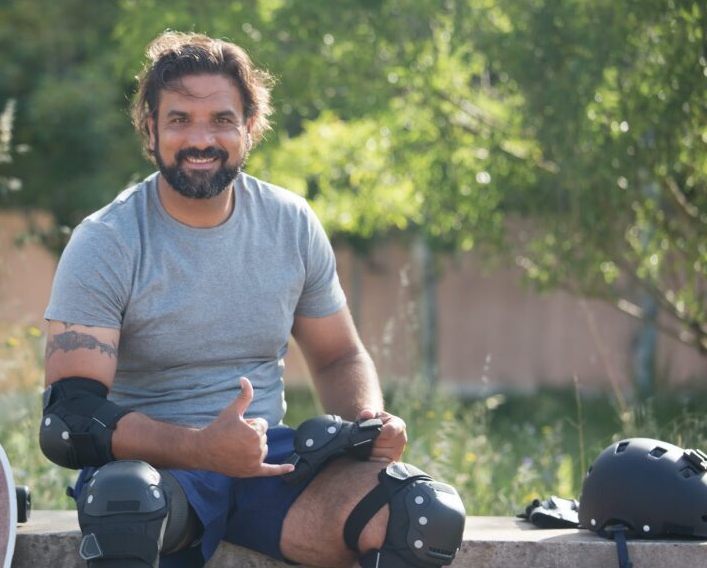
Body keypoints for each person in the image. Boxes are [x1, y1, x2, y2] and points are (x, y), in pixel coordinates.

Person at [40, 32, 461, 568]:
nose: (201, 139)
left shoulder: (290, 222)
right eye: (178, 120)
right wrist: (200, 449)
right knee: (127, 505)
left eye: (220, 119)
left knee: (423, 513)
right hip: (157, 472)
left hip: (270, 465)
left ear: (249, 128)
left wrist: (367, 423)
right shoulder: (107, 240)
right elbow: (69, 421)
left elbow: (339, 356)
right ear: (150, 130)